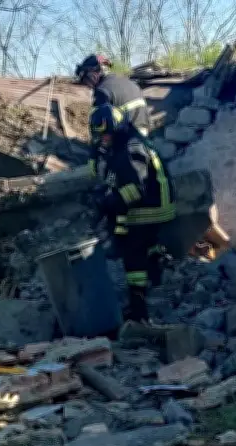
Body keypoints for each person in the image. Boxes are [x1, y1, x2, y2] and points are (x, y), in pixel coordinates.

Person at [88, 104, 176, 323]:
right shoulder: (126, 143)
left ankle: (138, 310)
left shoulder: (130, 148)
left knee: (133, 255)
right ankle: (155, 276)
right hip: (151, 207)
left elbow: (135, 190)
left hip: (150, 210)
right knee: (136, 241)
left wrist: (107, 203)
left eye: (106, 135)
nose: (103, 140)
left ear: (116, 129)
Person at [75, 54, 150, 180]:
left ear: (93, 74)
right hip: (143, 138)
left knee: (109, 175)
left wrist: (94, 156)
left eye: (85, 79)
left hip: (125, 143)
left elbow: (101, 127)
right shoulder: (129, 83)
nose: (87, 85)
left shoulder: (102, 91)